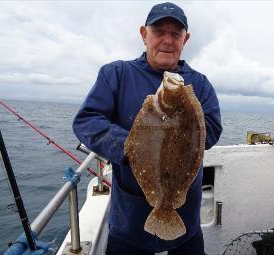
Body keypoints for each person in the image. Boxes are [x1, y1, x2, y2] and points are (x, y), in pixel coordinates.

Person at [72, 2, 222, 255]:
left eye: (175, 34)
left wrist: (183, 120)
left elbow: (213, 130)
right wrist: (134, 145)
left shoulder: (200, 84)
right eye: (158, 32)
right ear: (144, 34)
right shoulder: (116, 74)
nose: (167, 40)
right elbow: (87, 121)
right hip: (129, 224)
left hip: (186, 223)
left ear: (186, 39)